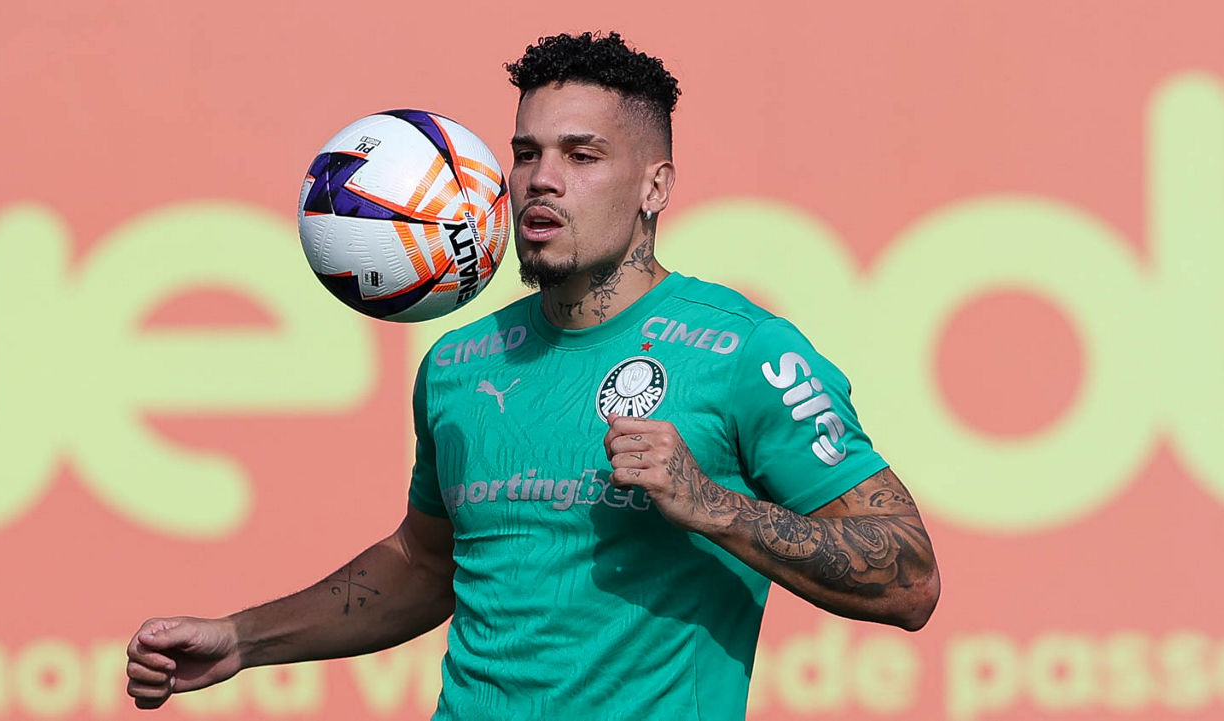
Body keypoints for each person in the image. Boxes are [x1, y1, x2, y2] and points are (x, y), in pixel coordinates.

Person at [126, 31, 940, 720]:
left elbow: (909, 575)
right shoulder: (458, 363)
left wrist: (712, 504)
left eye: (582, 155)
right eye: (526, 154)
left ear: (655, 184)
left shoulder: (745, 351)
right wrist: (242, 638)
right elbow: (424, 563)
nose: (541, 179)